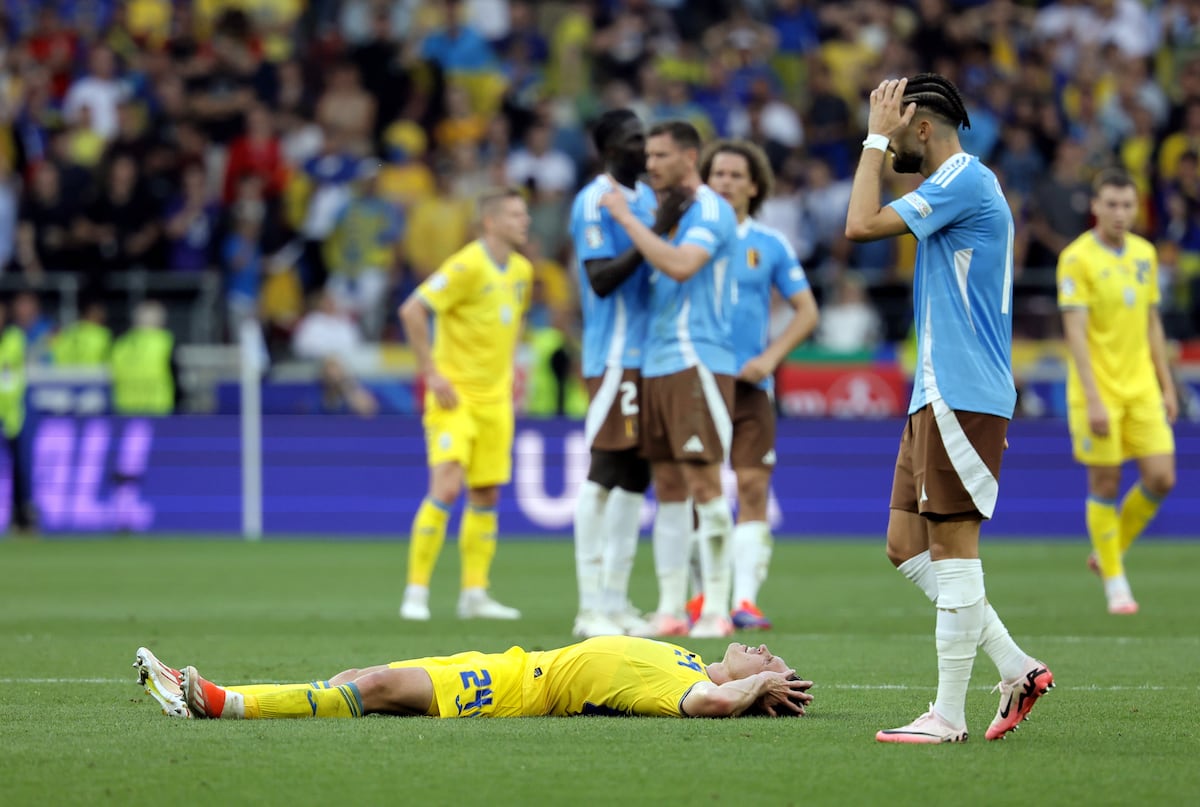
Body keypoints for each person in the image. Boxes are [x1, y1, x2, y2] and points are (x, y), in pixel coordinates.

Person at [844, 74, 1053, 744]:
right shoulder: (950, 188)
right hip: (936, 391)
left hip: (964, 392)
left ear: (923, 128)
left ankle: (949, 713)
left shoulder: (965, 179)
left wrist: (875, 139)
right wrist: (881, 135)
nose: (893, 147)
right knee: (905, 546)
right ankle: (1016, 666)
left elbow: (858, 224)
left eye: (900, 133)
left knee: (954, 549)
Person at [600, 121, 739, 640]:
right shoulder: (668, 214)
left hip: (696, 359)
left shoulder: (709, 209)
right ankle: (670, 608)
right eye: (648, 155)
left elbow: (682, 266)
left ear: (688, 157)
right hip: (657, 363)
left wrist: (627, 222)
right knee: (671, 487)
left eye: (660, 155)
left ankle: (717, 607)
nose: (650, 163)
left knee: (704, 482)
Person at [567, 109, 691, 638]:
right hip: (615, 354)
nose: (644, 146)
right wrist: (656, 231)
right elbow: (599, 281)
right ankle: (588, 605)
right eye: (632, 139)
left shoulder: (641, 199)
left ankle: (615, 601)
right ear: (608, 149)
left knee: (634, 480)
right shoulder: (597, 200)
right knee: (603, 473)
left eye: (645, 137)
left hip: (651, 358)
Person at [696, 139, 820, 630]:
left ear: (753, 186)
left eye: (734, 175)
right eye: (717, 174)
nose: (724, 182)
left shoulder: (770, 244)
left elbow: (806, 311)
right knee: (696, 491)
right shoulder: (689, 241)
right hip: (697, 380)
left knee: (751, 485)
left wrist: (768, 357)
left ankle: (743, 600)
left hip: (750, 385)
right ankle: (702, 596)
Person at [397, 188, 533, 622]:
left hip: (496, 400)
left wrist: (511, 370)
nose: (524, 221)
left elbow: (511, 322)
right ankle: (416, 591)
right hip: (454, 396)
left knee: (486, 492)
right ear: (490, 222)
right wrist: (431, 373)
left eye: (525, 214)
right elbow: (413, 310)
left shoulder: (523, 271)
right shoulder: (467, 264)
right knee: (448, 485)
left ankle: (474, 593)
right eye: (514, 214)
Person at [132, 638, 814, 720]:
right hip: (510, 660)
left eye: (768, 659)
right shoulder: (688, 658)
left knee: (369, 688)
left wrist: (753, 691)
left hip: (516, 689)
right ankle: (249, 698)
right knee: (355, 675)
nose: (760, 647)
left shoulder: (690, 687)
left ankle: (219, 702)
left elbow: (713, 705)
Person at [1057, 169, 1177, 615]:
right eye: (1112, 204)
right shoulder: (1076, 258)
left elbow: (1151, 322)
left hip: (1142, 386)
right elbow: (1075, 332)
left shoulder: (1145, 254)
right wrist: (1092, 397)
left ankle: (1109, 551)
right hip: (1099, 389)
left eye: (1128, 205)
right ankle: (1115, 582)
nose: (1121, 213)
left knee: (1162, 477)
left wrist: (1167, 384)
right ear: (1096, 206)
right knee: (1105, 482)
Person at [0, 300, 34, 534]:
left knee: (19, 468)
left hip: (11, 416)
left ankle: (21, 517)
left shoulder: (14, 338)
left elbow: (9, 374)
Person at [110, 300, 178, 416]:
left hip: (124, 410)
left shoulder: (119, 344)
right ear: (160, 321)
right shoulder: (165, 341)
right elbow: (176, 376)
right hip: (158, 410)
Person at [51, 299, 112, 367]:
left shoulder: (68, 332)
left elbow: (54, 355)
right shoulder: (103, 335)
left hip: (65, 375)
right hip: (93, 375)